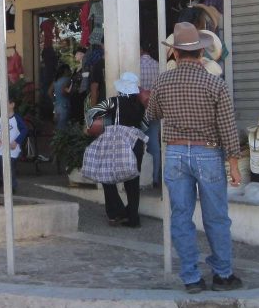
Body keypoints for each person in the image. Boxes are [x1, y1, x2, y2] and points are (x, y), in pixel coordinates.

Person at [146, 22, 243, 293]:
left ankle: (191, 277)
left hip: (175, 153)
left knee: (180, 216)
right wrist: (233, 164)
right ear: (201, 53)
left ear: (174, 53)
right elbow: (227, 127)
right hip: (209, 153)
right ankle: (223, 274)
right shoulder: (215, 83)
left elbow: (152, 114)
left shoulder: (162, 81)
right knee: (217, 218)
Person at [87, 72, 146, 228]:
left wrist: (92, 127)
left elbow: (92, 112)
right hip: (136, 143)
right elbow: (145, 125)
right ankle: (133, 218)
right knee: (133, 181)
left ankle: (116, 212)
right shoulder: (140, 104)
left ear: (121, 89)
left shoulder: (113, 102)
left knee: (107, 176)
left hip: (117, 143)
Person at [0, 97, 28, 194]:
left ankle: (11, 186)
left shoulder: (17, 119)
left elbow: (24, 130)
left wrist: (17, 141)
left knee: (10, 167)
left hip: (12, 147)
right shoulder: (0, 118)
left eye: (6, 103)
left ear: (12, 104)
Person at [139, 44, 161, 190]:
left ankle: (141, 177)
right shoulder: (159, 66)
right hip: (154, 108)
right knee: (154, 143)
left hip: (139, 110)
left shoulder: (135, 65)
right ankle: (155, 178)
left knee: (138, 143)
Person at [50, 64, 73, 132]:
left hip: (57, 106)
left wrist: (54, 100)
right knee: (64, 128)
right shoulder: (68, 80)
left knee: (58, 127)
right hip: (65, 105)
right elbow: (64, 91)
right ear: (65, 71)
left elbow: (49, 92)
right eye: (69, 70)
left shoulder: (55, 80)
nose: (70, 71)